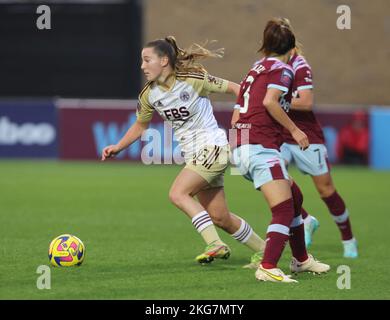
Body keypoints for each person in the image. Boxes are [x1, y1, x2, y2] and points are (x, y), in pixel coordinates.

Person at [101, 36, 266, 265]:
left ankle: (215, 244)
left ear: (164, 60)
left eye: (147, 60)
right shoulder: (149, 95)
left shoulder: (193, 79)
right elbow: (141, 125)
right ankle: (265, 251)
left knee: (177, 193)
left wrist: (244, 123)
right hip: (196, 155)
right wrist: (117, 147)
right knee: (220, 217)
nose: (142, 66)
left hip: (213, 147)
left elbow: (240, 90)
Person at [231, 19, 330, 283]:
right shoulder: (283, 70)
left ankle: (301, 260)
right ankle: (268, 265)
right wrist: (296, 131)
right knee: (284, 209)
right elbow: (270, 102)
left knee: (295, 197)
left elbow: (236, 114)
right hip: (260, 147)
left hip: (243, 147)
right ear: (292, 46)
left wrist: (238, 146)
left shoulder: (254, 70)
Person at [274, 18, 358, 258]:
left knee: (326, 190)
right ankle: (305, 219)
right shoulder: (268, 64)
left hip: (306, 135)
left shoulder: (300, 65)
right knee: (272, 180)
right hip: (280, 134)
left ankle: (348, 239)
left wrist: (275, 100)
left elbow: (307, 102)